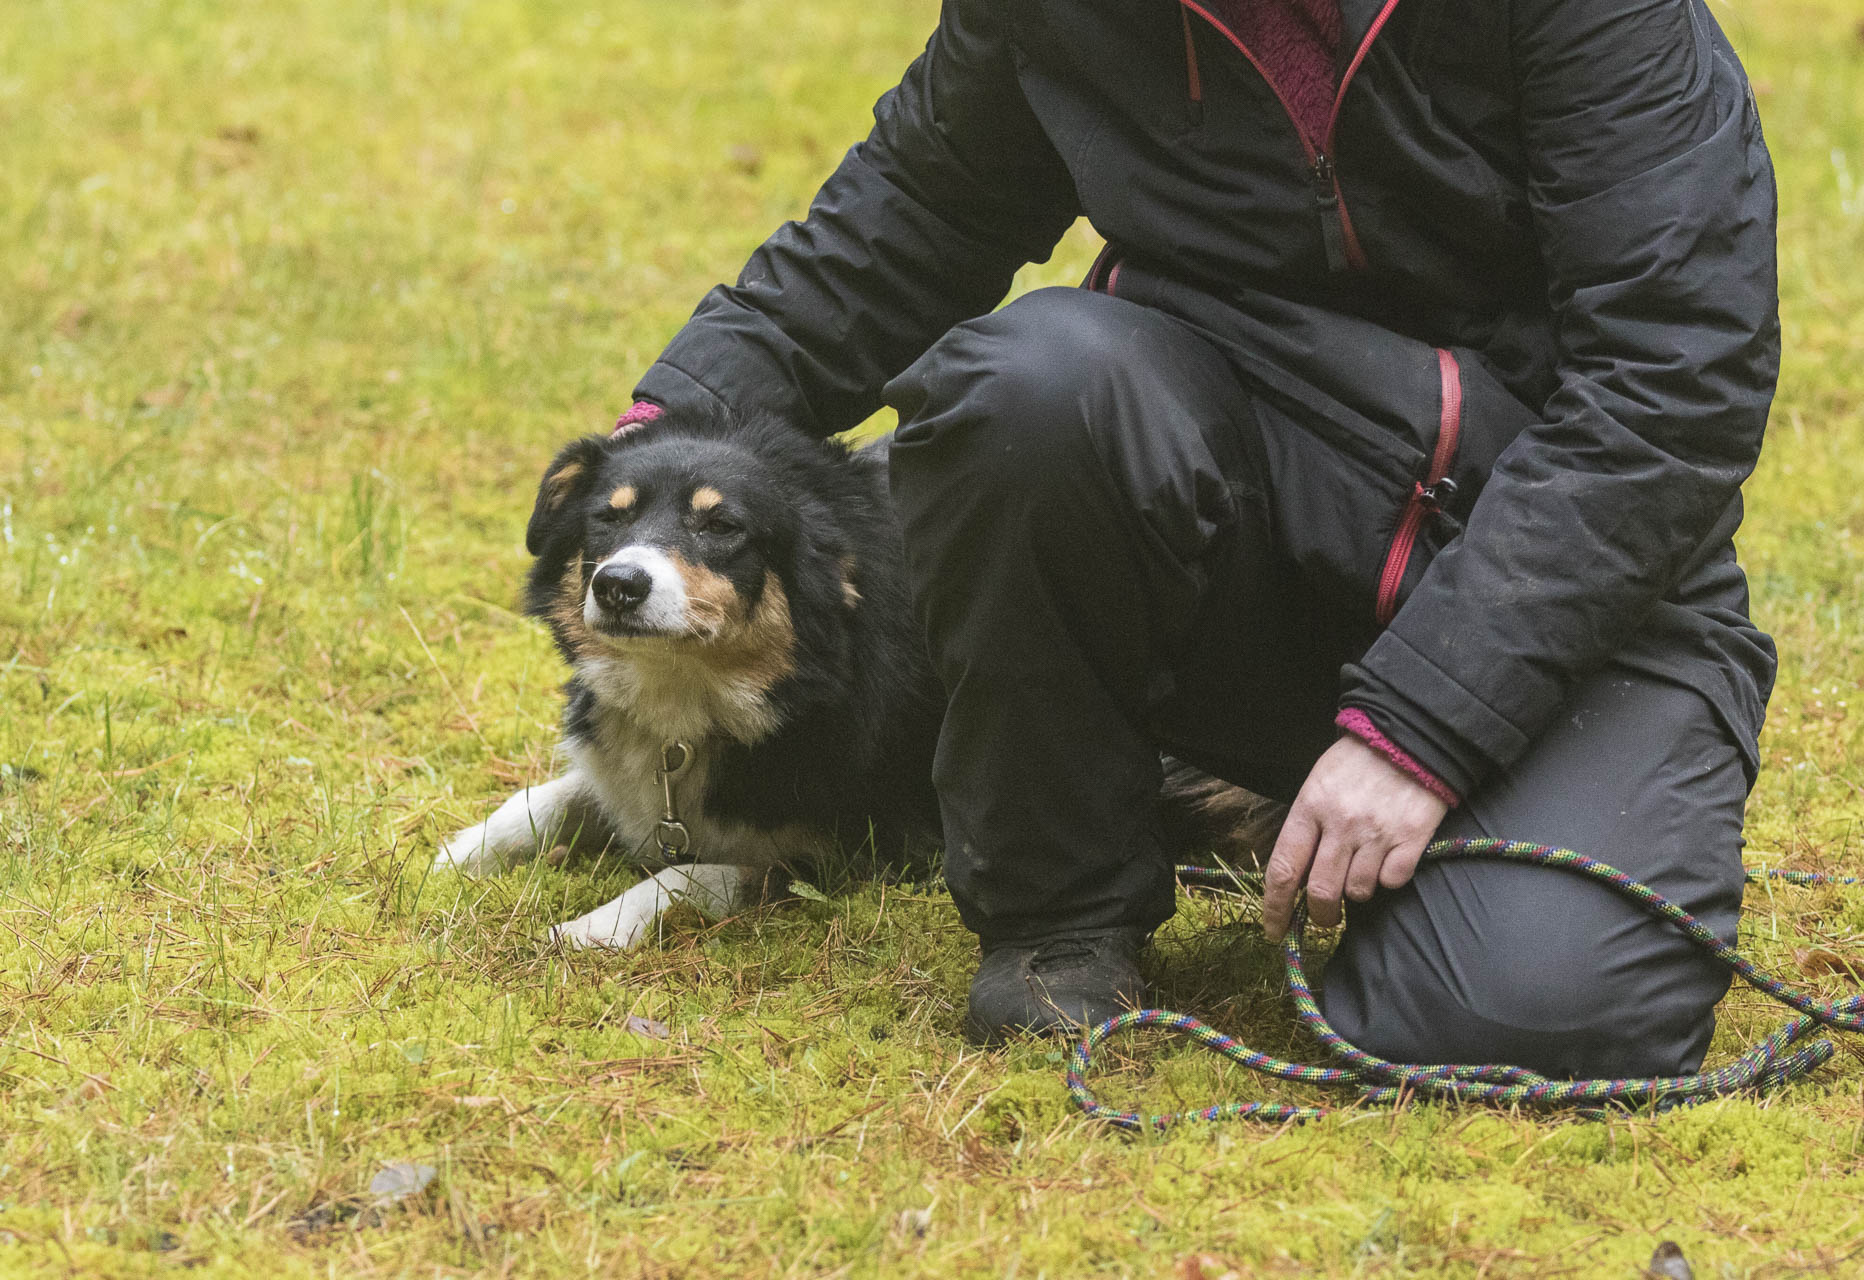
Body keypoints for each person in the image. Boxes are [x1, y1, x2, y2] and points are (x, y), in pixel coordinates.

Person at [604, 0, 1779, 1073]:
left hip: (1557, 596)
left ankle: (1392, 822)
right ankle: (1061, 914)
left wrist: (1423, 727)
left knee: (1530, 1011)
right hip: (1238, 545)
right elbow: (915, 211)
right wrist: (654, 442)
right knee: (1028, 390)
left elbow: (1670, 388)